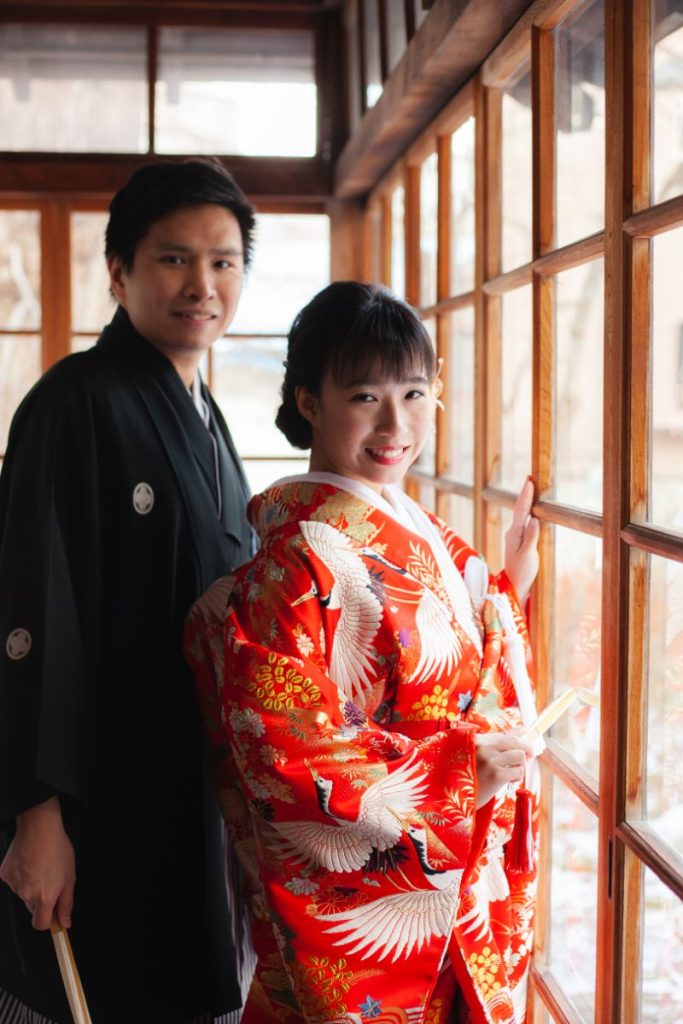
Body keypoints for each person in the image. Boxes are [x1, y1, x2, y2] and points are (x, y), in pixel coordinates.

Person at [184, 281, 541, 1024]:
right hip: (396, 886)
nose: (394, 425)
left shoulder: (417, 529)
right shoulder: (295, 566)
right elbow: (285, 753)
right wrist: (452, 777)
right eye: (364, 397)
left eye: (414, 394)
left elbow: (462, 659)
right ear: (308, 401)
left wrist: (506, 587)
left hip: (456, 875)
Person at [0, 159, 257, 1024]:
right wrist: (35, 814)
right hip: (94, 796)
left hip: (185, 792)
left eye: (223, 262)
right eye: (173, 259)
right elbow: (30, 610)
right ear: (118, 272)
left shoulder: (209, 419)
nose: (202, 284)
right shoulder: (73, 403)